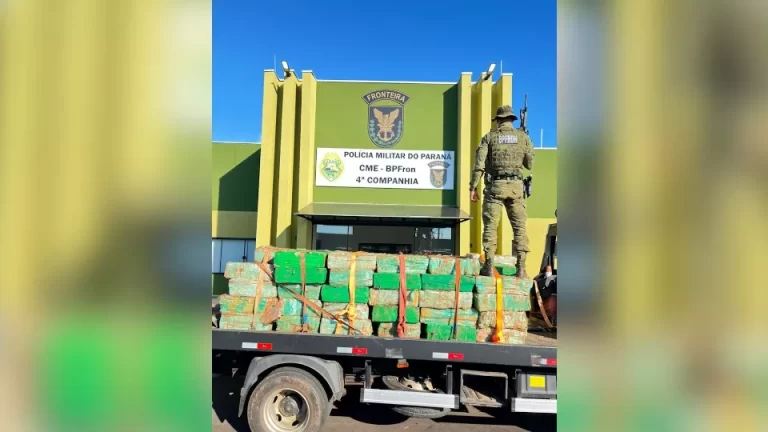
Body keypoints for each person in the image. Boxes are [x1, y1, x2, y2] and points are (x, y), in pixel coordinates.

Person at [470, 105, 534, 278]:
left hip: (495, 187)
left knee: (490, 227)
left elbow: (479, 166)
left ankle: (489, 266)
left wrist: (473, 187)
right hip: (516, 188)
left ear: (498, 120)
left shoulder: (489, 138)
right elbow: (529, 164)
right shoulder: (523, 137)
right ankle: (521, 268)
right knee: (519, 229)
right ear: (512, 120)